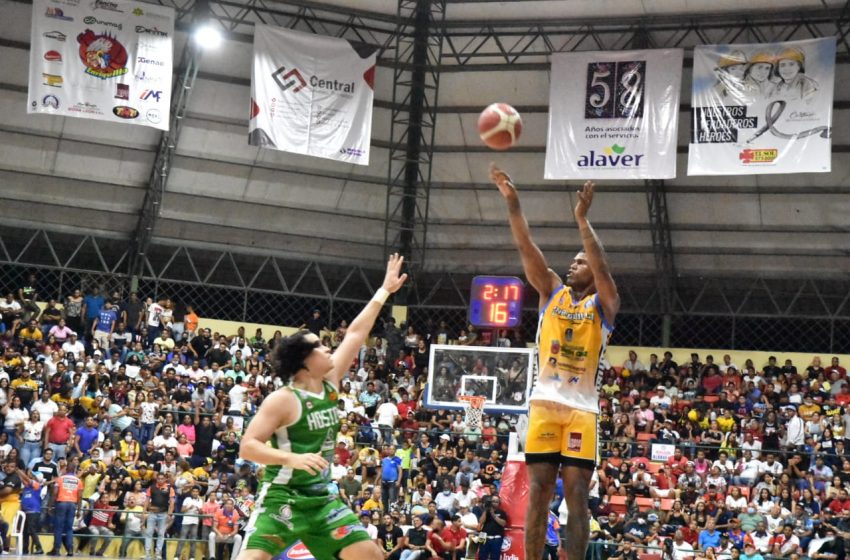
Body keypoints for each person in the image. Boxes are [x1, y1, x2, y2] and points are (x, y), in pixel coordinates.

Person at [236, 254, 407, 560]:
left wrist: (384, 291)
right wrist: (292, 458)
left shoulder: (330, 381)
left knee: (371, 554)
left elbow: (355, 334)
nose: (328, 347)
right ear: (304, 361)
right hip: (281, 499)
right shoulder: (283, 399)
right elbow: (248, 447)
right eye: (318, 346)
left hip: (322, 500)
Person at [491, 164, 619, 560]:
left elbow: (601, 265)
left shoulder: (605, 303)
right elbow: (525, 245)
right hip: (545, 405)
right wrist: (513, 203)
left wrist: (582, 219)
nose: (573, 265)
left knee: (577, 494)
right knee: (540, 492)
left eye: (580, 263)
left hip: (581, 410)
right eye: (573, 262)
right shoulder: (551, 290)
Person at [50, 464, 82, 556]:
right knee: (69, 528)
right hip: (72, 504)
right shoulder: (78, 480)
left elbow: (55, 492)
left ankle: (56, 550)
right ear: (74, 470)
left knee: (58, 528)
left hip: (61, 503)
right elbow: (80, 496)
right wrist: (79, 510)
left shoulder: (60, 479)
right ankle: (70, 550)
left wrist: (51, 505)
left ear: (66, 469)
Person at [477, 495, 507, 560]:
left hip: (496, 538)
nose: (494, 503)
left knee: (495, 557)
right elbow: (481, 522)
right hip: (483, 536)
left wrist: (493, 515)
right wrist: (486, 511)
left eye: (496, 501)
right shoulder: (485, 511)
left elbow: (503, 524)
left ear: (499, 503)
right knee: (481, 556)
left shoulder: (502, 512)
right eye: (493, 501)